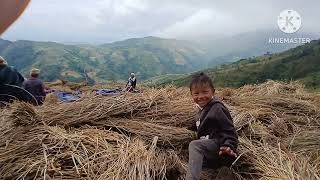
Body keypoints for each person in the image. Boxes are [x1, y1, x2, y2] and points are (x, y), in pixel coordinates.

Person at [186, 72, 238, 180]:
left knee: (194, 145)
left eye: (205, 92)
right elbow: (201, 124)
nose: (200, 97)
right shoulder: (202, 110)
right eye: (196, 93)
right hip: (209, 148)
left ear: (213, 92)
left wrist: (228, 146)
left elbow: (230, 130)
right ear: (191, 95)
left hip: (219, 146)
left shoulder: (217, 108)